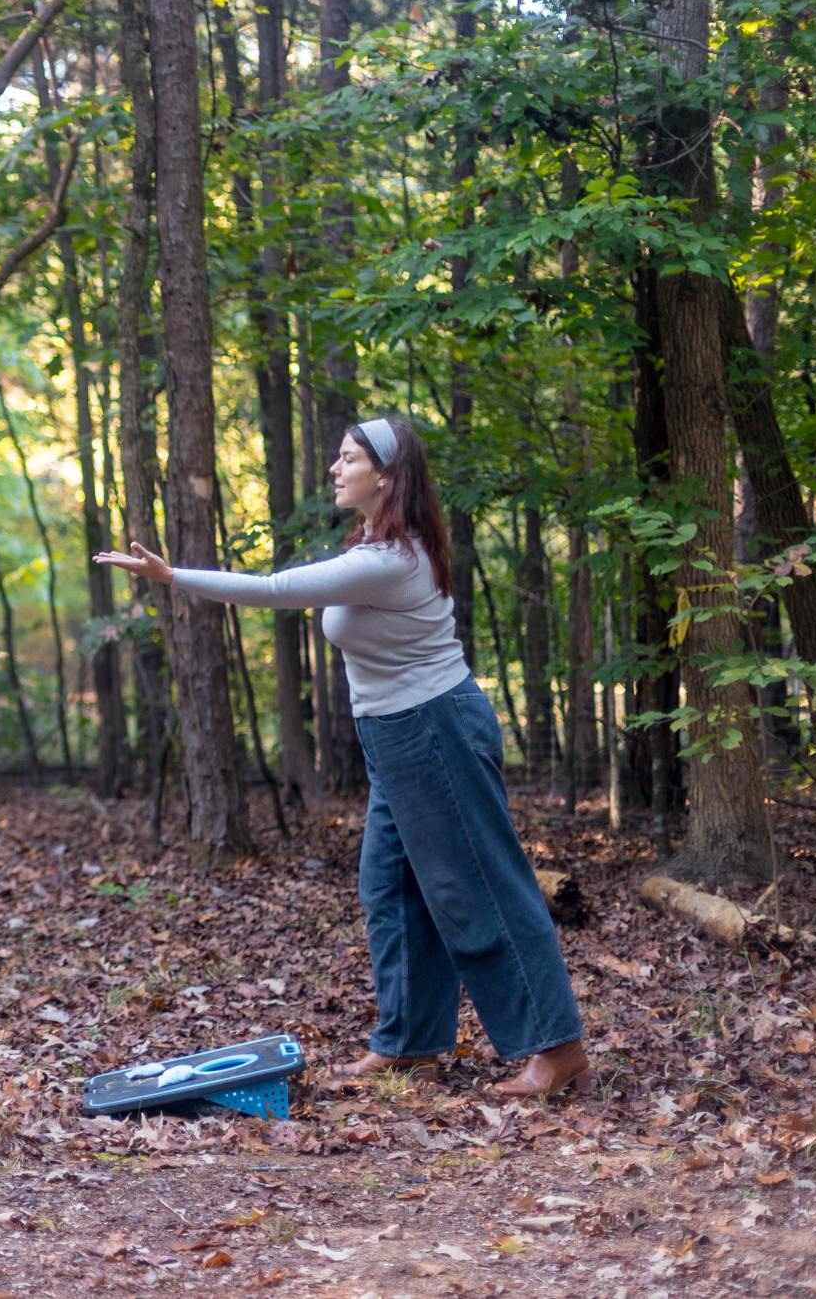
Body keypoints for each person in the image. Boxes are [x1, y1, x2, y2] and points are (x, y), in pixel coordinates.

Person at [93, 416, 591, 1098]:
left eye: (348, 456)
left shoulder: (391, 561)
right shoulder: (375, 544)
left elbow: (273, 590)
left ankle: (556, 1046)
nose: (335, 467)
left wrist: (169, 573)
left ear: (385, 474)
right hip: (395, 738)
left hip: (434, 730)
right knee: (390, 886)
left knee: (478, 885)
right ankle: (411, 1041)